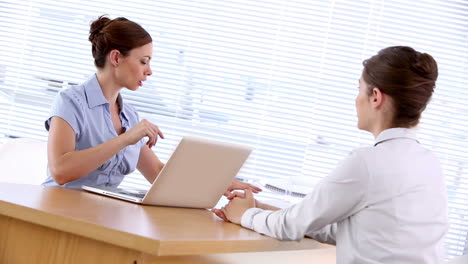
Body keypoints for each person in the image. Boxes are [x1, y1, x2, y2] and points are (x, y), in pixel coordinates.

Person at [213, 46, 448, 263]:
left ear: (375, 97)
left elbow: (291, 226)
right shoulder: (429, 162)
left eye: (359, 89)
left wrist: (246, 215)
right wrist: (261, 208)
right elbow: (347, 230)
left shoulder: (367, 163)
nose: (356, 99)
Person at [43, 15, 261, 196]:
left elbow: (157, 172)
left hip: (99, 216)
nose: (149, 71)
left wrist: (218, 184)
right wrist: (125, 139)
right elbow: (61, 170)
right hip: (56, 212)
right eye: (143, 61)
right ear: (116, 58)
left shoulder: (129, 115)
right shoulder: (70, 102)